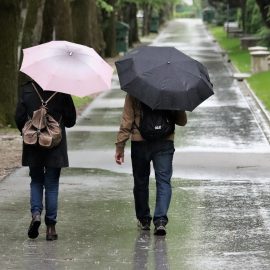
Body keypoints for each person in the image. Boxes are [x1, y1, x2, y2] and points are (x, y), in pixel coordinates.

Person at [115, 94, 187, 236]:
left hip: (139, 142)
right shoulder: (172, 90)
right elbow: (182, 121)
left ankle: (144, 220)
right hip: (165, 141)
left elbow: (127, 121)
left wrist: (120, 146)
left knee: (141, 181)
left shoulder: (134, 90)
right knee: (163, 181)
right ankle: (160, 220)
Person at [15, 80, 76, 241]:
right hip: (55, 146)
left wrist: (32, 128)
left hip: (32, 144)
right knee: (52, 184)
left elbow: (19, 118)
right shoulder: (62, 90)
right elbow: (71, 121)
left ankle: (36, 214)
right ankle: (50, 227)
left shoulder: (27, 89)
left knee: (35, 180)